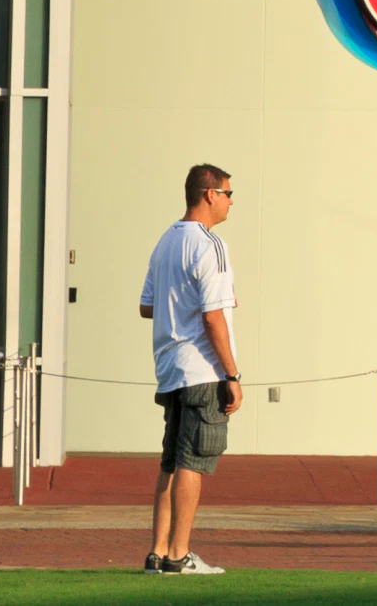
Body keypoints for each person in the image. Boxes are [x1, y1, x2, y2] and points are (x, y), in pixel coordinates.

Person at [139, 164, 241, 576]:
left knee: (170, 463)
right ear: (209, 194)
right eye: (229, 193)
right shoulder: (209, 244)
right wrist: (232, 375)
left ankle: (157, 553)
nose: (232, 201)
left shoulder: (165, 241)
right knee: (193, 462)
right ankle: (179, 555)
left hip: (169, 368)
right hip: (201, 369)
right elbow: (214, 317)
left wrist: (178, 304)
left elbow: (147, 305)